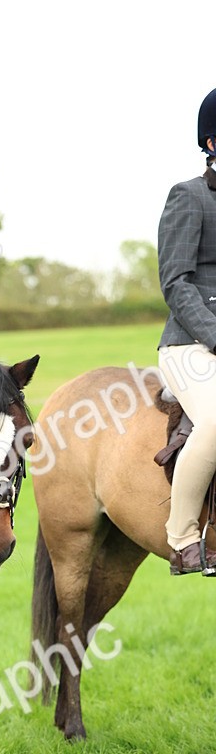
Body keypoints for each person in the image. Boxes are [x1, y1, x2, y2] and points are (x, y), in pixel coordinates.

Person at [158, 87, 216, 575]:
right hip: (192, 344)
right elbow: (175, 282)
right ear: (212, 143)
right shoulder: (189, 196)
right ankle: (182, 538)